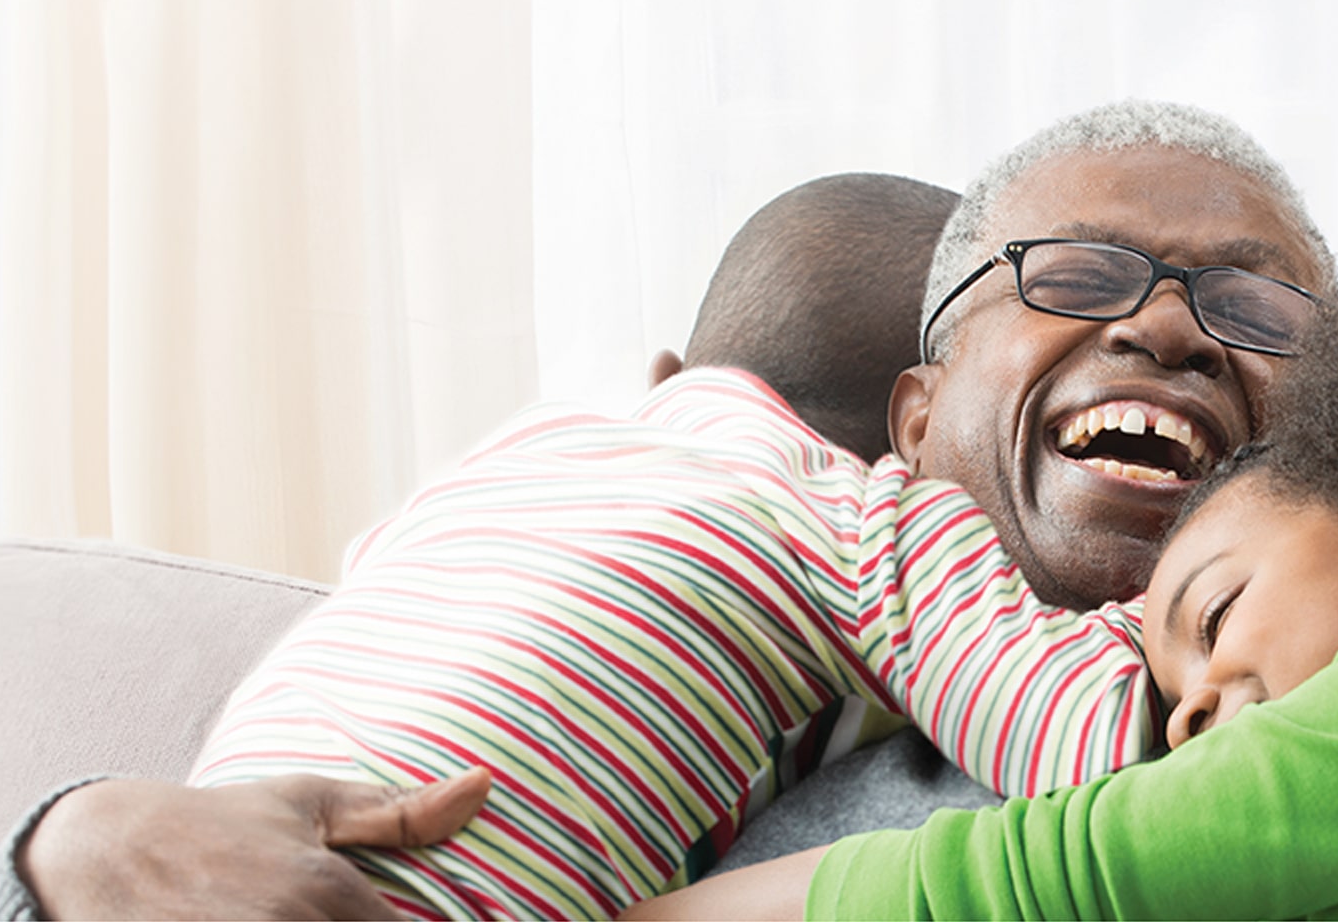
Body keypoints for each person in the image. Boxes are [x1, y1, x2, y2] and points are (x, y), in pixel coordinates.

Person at [0, 102, 1338, 920]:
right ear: (918, 412)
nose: (1174, 325)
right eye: (1082, 271)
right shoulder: (701, 670)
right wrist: (67, 855)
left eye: (1261, 309)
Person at [627, 249, 1338, 920]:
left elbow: (1043, 874)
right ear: (913, 415)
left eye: (1215, 611)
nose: (1186, 716)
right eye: (1173, 704)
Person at [181, 173, 1196, 915]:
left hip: (213, 846)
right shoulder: (865, 517)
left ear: (671, 369)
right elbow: (1085, 737)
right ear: (917, 425)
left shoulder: (521, 451)